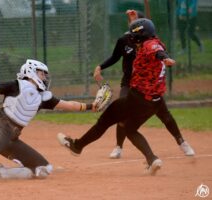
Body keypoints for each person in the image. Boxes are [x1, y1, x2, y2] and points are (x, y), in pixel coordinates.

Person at [58, 18, 177, 176]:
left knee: (104, 120)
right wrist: (135, 23)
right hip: (154, 102)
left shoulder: (150, 45)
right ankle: (152, 159)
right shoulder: (155, 41)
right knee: (130, 129)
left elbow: (155, 50)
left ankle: (77, 146)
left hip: (137, 99)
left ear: (140, 36)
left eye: (134, 35)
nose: (131, 38)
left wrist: (164, 57)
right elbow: (153, 46)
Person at [93, 10, 194, 159]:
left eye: (137, 23)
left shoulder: (147, 42)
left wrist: (165, 58)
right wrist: (100, 66)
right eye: (131, 24)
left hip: (148, 87)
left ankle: (182, 142)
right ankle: (118, 147)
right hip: (128, 84)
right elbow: (115, 57)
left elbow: (157, 50)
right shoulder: (124, 40)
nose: (133, 27)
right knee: (122, 116)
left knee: (165, 116)